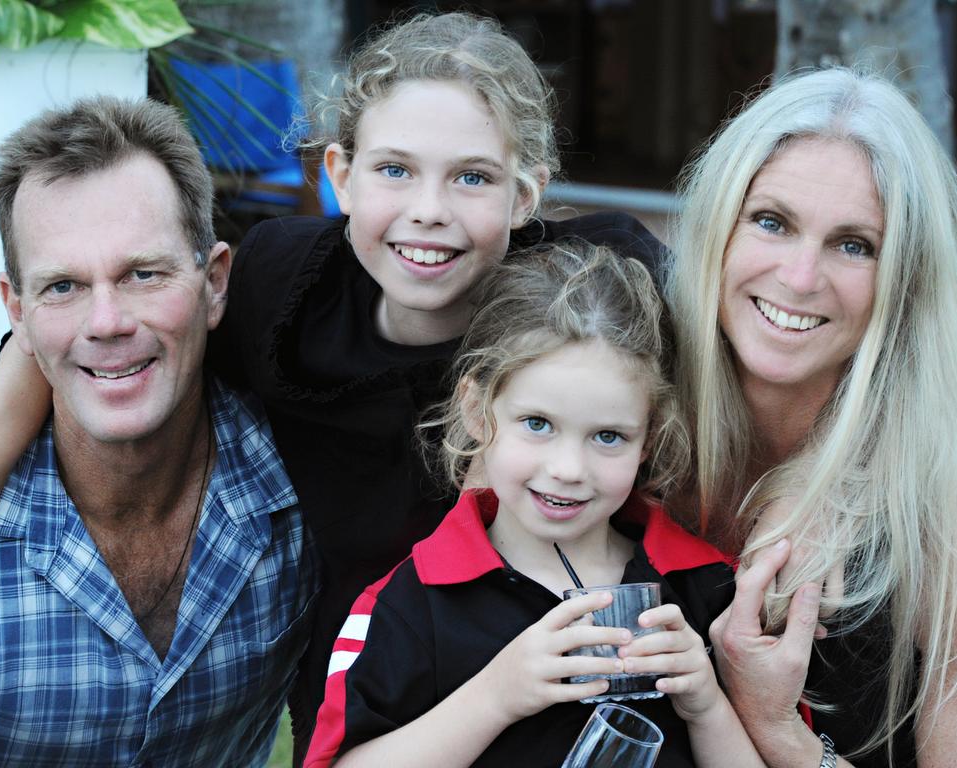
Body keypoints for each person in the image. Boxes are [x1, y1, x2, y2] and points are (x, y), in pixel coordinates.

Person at [0, 11, 660, 753]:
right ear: (340, 175)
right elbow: (104, 327)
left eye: (473, 178)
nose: (428, 210)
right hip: (362, 703)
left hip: (539, 674)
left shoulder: (579, 294)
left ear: (526, 196)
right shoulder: (282, 289)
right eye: (394, 170)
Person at [0, 96, 317, 766]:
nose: (107, 321)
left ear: (214, 283)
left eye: (142, 274)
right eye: (62, 287)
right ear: (19, 312)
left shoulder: (304, 476)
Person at [303, 241, 753, 768]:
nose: (567, 468)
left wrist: (706, 707)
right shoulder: (410, 605)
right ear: (476, 410)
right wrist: (495, 696)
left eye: (608, 436)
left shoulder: (708, 587)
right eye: (537, 424)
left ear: (649, 437)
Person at [665, 67, 957, 766]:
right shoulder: (622, 416)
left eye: (854, 244)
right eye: (772, 222)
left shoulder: (952, 503)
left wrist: (774, 726)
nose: (801, 277)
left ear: (904, 279)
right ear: (719, 224)